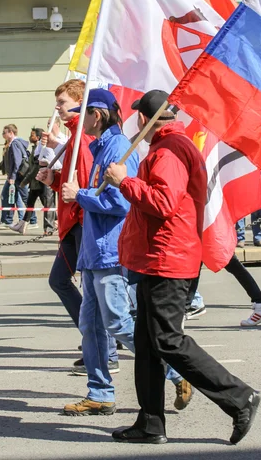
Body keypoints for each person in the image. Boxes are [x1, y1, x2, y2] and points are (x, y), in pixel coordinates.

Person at [104, 90, 260, 445]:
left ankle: (240, 398)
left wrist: (123, 181)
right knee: (147, 346)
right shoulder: (170, 145)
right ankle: (150, 423)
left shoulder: (168, 150)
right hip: (160, 257)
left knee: (167, 341)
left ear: (143, 119)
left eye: (136, 118)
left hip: (168, 259)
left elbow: (162, 202)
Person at [60, 89, 188, 417]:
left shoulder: (118, 148)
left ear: (98, 115)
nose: (78, 118)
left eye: (83, 112)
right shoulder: (102, 146)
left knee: (117, 322)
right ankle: (100, 394)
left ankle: (177, 372)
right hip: (94, 252)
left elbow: (122, 202)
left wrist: (81, 196)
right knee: (91, 327)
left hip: (110, 251)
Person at [37, 80, 119, 372]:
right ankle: (98, 343)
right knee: (61, 281)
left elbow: (87, 186)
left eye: (61, 102)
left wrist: (68, 192)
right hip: (74, 224)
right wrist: (54, 180)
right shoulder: (75, 137)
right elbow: (73, 185)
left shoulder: (82, 140)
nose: (57, 107)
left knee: (91, 294)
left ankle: (104, 349)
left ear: (80, 104)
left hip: (81, 224)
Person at [10, 128, 56, 235]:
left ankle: (50, 227)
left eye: (32, 135)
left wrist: (25, 181)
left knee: (48, 205)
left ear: (38, 138)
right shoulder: (35, 148)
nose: (30, 137)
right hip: (35, 183)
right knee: (30, 204)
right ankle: (22, 225)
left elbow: (35, 168)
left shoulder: (40, 150)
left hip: (41, 183)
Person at [0, 124, 37, 229]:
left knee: (23, 197)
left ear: (11, 133)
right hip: (16, 176)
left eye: (4, 132)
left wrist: (13, 177)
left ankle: (32, 220)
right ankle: (7, 220)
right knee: (9, 196)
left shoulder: (15, 144)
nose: (3, 135)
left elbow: (17, 161)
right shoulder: (14, 143)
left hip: (18, 176)